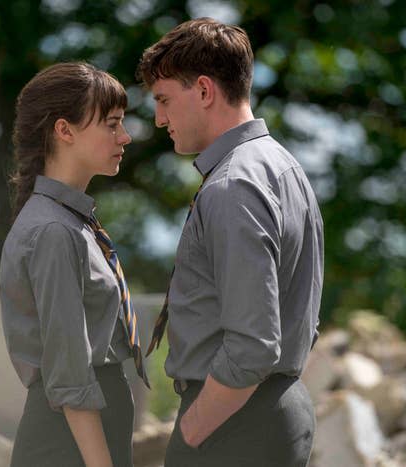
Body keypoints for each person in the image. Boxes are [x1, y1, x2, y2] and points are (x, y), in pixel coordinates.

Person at [137, 18, 324, 467]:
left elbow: (253, 345)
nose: (159, 118)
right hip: (267, 412)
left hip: (232, 427)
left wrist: (193, 427)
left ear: (204, 91)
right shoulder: (285, 168)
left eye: (164, 100)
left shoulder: (233, 185)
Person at [0, 62, 148, 467]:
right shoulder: (53, 230)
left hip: (84, 429)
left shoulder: (70, 222)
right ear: (64, 131)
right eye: (112, 124)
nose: (126, 136)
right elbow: (68, 373)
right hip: (69, 440)